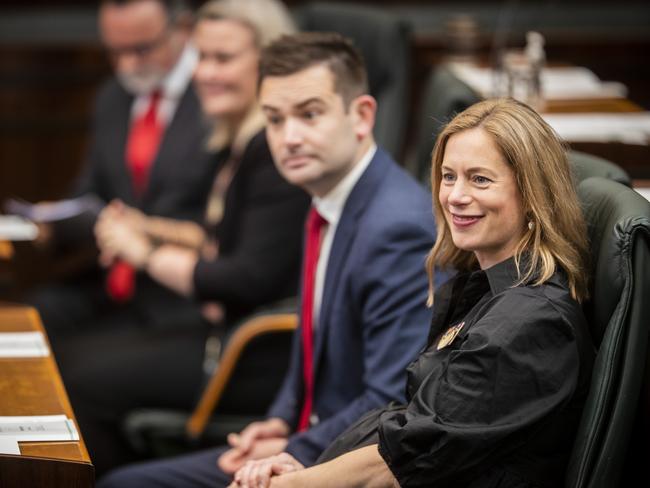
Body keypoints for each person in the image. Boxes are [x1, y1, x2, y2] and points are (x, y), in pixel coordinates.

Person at [98, 32, 447, 488]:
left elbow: (390, 402)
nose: (289, 138)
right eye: (274, 120)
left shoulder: (395, 228)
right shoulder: (327, 200)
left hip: (341, 463)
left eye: (309, 114)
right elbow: (311, 340)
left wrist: (293, 448)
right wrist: (280, 419)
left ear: (361, 116)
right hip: (309, 436)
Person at [232, 98, 596, 488]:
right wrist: (306, 472)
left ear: (533, 194)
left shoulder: (529, 325)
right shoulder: (479, 287)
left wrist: (289, 485)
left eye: (480, 179)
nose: (455, 196)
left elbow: (398, 465)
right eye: (449, 176)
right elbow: (405, 423)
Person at [56, 0, 308, 475]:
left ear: (273, 62)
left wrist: (144, 252)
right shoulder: (238, 136)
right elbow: (216, 239)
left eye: (223, 59)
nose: (204, 74)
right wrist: (146, 226)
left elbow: (243, 280)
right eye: (202, 58)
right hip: (225, 330)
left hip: (254, 354)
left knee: (78, 382)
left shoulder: (276, 148)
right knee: (66, 358)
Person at [28, 0, 218, 336]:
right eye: (115, 52)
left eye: (142, 49)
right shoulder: (112, 97)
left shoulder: (215, 95)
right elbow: (89, 190)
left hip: (178, 291)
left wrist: (141, 232)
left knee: (79, 369)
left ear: (184, 29)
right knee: (32, 318)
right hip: (111, 277)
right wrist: (54, 220)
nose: (128, 64)